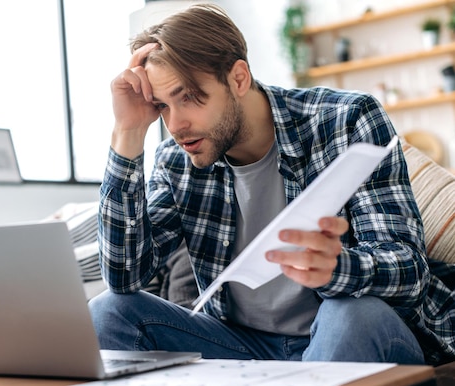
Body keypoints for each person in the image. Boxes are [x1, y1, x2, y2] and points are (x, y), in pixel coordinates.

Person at [89, 3, 455, 365]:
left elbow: (410, 273)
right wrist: (128, 132)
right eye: (163, 106)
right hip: (242, 346)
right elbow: (125, 277)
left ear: (238, 78)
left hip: (346, 329)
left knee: (351, 315)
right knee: (108, 311)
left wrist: (338, 267)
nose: (177, 124)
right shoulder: (176, 162)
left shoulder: (346, 119)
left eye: (190, 96)